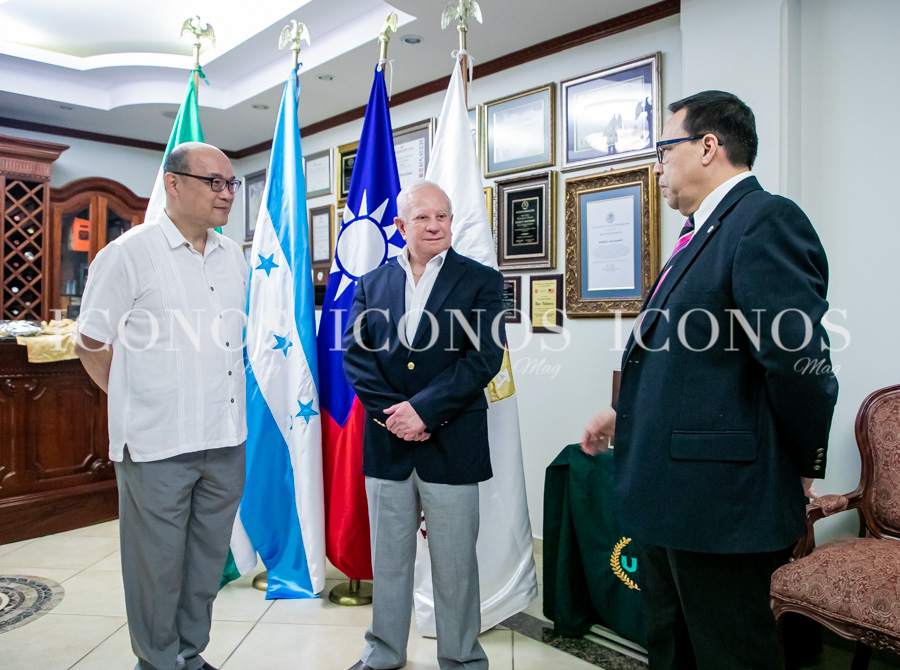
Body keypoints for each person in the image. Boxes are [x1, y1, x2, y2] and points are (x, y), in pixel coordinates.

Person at [581, 91, 839, 670]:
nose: (658, 166)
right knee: (674, 649)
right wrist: (626, 416)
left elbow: (801, 365)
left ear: (707, 146)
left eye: (663, 150)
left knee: (729, 654)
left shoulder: (765, 220)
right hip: (670, 494)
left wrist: (798, 465)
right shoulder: (699, 235)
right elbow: (691, 369)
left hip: (722, 501)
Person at [75, 142, 248, 670]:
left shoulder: (234, 254)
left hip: (224, 442)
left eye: (231, 183)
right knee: (156, 570)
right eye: (213, 182)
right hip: (155, 445)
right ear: (173, 183)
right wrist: (134, 397)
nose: (226, 194)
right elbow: (90, 343)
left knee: (203, 567)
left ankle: (188, 656)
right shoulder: (128, 254)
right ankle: (156, 662)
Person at [342, 180, 505, 670]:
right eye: (423, 218)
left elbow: (484, 358)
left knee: (455, 567)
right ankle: (383, 655)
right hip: (388, 444)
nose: (436, 226)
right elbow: (357, 357)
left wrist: (424, 412)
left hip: (452, 443)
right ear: (400, 226)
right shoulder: (372, 283)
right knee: (388, 564)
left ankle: (461, 660)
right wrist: (397, 416)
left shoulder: (481, 279)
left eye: (444, 217)